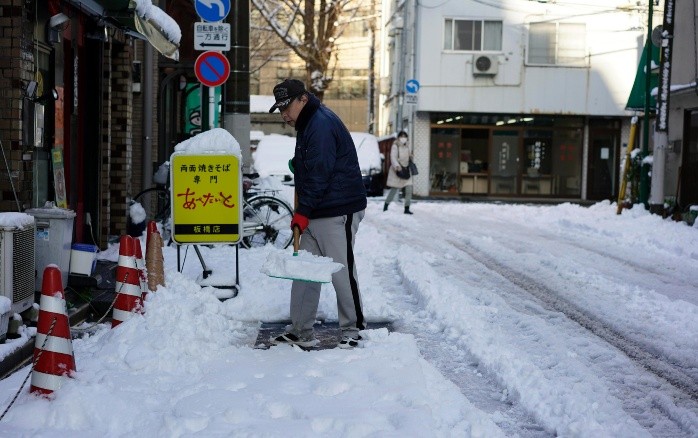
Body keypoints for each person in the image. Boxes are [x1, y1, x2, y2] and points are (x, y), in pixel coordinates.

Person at [267, 78, 368, 349]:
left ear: (303, 99)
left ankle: (354, 329)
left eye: (287, 107)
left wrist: (303, 212)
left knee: (340, 270)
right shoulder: (307, 123)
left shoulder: (320, 124)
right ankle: (300, 330)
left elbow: (320, 174)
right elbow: (314, 166)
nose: (284, 114)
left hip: (338, 208)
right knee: (305, 272)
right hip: (317, 209)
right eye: (280, 109)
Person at [383, 130, 414, 214]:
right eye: (401, 136)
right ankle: (386, 205)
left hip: (406, 170)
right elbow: (393, 157)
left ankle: (406, 208)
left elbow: (409, 156)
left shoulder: (408, 146)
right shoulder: (395, 145)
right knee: (394, 190)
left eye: (405, 136)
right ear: (399, 137)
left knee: (409, 189)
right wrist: (397, 166)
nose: (403, 138)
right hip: (397, 171)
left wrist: (411, 156)